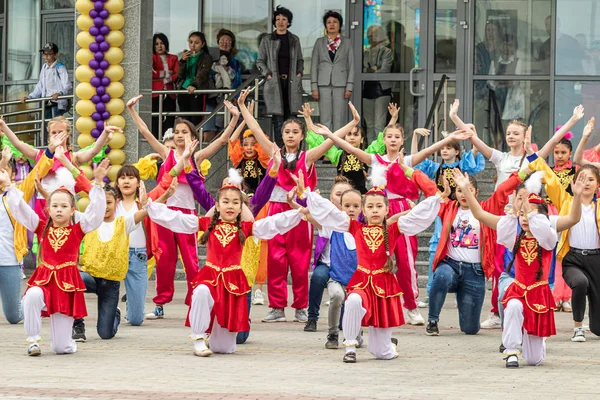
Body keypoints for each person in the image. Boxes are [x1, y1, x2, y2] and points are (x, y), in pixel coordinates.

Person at [312, 122, 474, 325]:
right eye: (389, 136)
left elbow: (429, 150)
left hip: (401, 212)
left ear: (402, 140)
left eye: (397, 136)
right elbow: (350, 148)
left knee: (406, 262)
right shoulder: (375, 160)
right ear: (384, 140)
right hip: (378, 213)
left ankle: (411, 306)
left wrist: (450, 139)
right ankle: (369, 300)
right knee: (372, 259)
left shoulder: (406, 160)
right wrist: (330, 134)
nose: (393, 140)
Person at [145, 168, 306, 357]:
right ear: (218, 205)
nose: (230, 206)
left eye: (235, 202)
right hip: (211, 276)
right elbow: (176, 219)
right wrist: (152, 207)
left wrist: (298, 213)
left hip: (232, 282)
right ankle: (198, 338)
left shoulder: (246, 227)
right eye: (226, 202)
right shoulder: (207, 224)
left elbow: (274, 223)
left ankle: (212, 337)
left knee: (224, 348)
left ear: (241, 206)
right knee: (201, 291)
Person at [302, 164, 444, 363]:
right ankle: (350, 345)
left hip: (384, 285)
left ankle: (389, 346)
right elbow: (331, 213)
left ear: (387, 209)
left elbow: (417, 215)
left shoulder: (394, 229)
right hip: (361, 282)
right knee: (352, 300)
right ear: (363, 210)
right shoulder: (354, 227)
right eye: (370, 207)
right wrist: (309, 194)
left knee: (381, 353)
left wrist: (437, 198)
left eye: (379, 206)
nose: (375, 210)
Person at [237, 90, 353, 323]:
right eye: (287, 131)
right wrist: (242, 108)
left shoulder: (307, 157)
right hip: (277, 208)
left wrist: (353, 122)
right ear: (281, 135)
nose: (290, 135)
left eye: (295, 132)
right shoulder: (274, 153)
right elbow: (257, 131)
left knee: (299, 262)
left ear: (302, 136)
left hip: (301, 213)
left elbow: (331, 140)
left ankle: (301, 307)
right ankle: (277, 307)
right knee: (276, 260)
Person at [459, 168, 584, 367]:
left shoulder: (547, 227)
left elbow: (573, 219)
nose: (525, 214)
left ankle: (531, 339)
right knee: (513, 305)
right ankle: (510, 350)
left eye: (529, 206)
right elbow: (480, 214)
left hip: (539, 291)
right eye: (520, 200)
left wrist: (577, 196)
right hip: (516, 285)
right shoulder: (510, 224)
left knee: (534, 360)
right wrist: (466, 190)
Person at [127, 94, 235, 319]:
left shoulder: (196, 157)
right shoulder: (167, 155)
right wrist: (132, 111)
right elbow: (146, 132)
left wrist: (235, 118)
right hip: (165, 215)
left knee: (191, 262)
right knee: (164, 261)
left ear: (193, 137)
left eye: (184, 132)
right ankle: (160, 304)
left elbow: (223, 140)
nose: (179, 136)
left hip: (187, 216)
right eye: (176, 132)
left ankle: (196, 300)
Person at [4, 157, 108, 356]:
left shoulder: (79, 229)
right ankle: (33, 340)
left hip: (66, 283)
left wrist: (98, 185)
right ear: (49, 210)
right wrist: (9, 185)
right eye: (55, 206)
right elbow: (21, 210)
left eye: (64, 206)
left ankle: (68, 343)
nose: (59, 210)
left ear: (72, 210)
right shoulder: (41, 226)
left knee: (61, 348)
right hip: (44, 279)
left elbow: (96, 214)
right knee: (32, 295)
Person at [526, 129, 600, 343]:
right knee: (579, 283)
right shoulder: (565, 200)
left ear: (597, 185)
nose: (585, 183)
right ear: (573, 182)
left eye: (591, 180)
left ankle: (591, 324)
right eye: (581, 179)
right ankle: (577, 327)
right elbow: (548, 176)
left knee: (598, 327)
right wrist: (531, 153)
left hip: (596, 258)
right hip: (573, 258)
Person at [0, 138, 57, 325]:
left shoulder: (17, 193)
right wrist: (3, 162)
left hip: (8, 260)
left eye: (5, 169)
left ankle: (34, 302)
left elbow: (37, 173)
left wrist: (49, 151)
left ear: (12, 174)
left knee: (14, 316)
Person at [301, 176, 356, 335]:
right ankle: (312, 317)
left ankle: (344, 320)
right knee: (318, 277)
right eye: (338, 194)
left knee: (350, 283)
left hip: (347, 267)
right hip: (327, 264)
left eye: (346, 193)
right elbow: (307, 214)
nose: (341, 197)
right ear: (331, 198)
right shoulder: (325, 217)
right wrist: (308, 202)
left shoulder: (355, 221)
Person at [256, 6, 304, 148]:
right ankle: (280, 152)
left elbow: (300, 60)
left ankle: (294, 152)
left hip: (291, 84)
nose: (280, 22)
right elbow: (259, 61)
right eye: (277, 19)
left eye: (284, 19)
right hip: (275, 84)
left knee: (292, 119)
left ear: (289, 22)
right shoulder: (267, 40)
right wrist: (267, 73)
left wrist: (299, 73)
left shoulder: (294, 39)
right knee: (278, 120)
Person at [310, 10, 354, 132]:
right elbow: (314, 65)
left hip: (341, 85)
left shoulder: (347, 42)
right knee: (325, 119)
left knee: (339, 119)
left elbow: (351, 65)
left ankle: (338, 149)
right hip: (323, 84)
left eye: (335, 22)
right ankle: (326, 149)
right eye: (329, 22)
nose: (332, 24)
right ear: (325, 25)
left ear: (340, 25)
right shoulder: (319, 42)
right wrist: (314, 87)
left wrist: (349, 86)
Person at [204, 29, 243, 141]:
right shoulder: (210, 59)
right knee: (209, 128)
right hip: (212, 97)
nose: (225, 43)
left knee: (225, 129)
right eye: (222, 40)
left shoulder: (235, 63)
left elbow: (238, 81)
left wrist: (236, 97)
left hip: (228, 99)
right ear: (218, 42)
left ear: (232, 44)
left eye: (228, 41)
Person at [20, 42, 72, 119]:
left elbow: (68, 85)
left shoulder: (60, 67)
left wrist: (59, 93)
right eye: (44, 54)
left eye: (49, 54)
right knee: (47, 126)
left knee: (56, 124)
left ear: (55, 54)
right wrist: (30, 97)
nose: (46, 56)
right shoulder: (44, 67)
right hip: (46, 101)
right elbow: (40, 86)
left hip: (57, 102)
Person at [363, 25, 393, 143]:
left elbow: (385, 69)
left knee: (379, 124)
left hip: (382, 89)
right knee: (369, 124)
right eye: (369, 35)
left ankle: (380, 150)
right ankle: (371, 150)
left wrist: (372, 69)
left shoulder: (387, 51)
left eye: (374, 35)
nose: (371, 37)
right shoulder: (365, 52)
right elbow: (363, 69)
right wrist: (375, 68)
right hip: (367, 88)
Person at [177, 31, 213, 127]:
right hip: (184, 89)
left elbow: (202, 74)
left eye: (196, 43)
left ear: (203, 44)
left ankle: (194, 140)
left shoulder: (206, 57)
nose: (193, 45)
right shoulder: (186, 55)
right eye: (191, 42)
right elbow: (179, 75)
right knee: (184, 119)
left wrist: (194, 85)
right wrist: (182, 61)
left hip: (197, 90)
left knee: (195, 119)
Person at [152, 33, 179, 138]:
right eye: (156, 44)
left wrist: (163, 77)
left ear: (166, 44)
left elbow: (177, 74)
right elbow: (150, 73)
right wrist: (167, 73)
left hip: (169, 93)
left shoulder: (174, 57)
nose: (159, 46)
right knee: (155, 119)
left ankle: (168, 142)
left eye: (162, 43)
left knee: (169, 119)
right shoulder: (152, 57)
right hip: (155, 93)